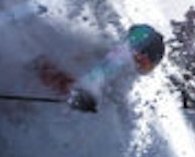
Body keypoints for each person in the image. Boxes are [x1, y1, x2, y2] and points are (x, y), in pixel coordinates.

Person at [37, 24, 165, 112]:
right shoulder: (119, 58)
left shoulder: (126, 68)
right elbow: (97, 74)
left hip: (53, 88)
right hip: (46, 83)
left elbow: (112, 93)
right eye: (149, 63)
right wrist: (81, 94)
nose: (147, 69)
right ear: (142, 54)